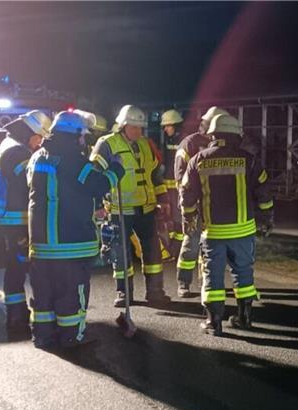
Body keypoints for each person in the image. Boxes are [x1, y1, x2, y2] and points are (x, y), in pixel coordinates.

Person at [27, 111, 123, 349]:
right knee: (71, 292)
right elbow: (97, 185)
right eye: (82, 136)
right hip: (70, 241)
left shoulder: (38, 157)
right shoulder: (74, 160)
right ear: (74, 135)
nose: (84, 141)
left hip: (41, 242)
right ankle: (72, 336)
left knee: (44, 293)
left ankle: (43, 336)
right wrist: (116, 170)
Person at [180, 113, 274, 336]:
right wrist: (265, 219)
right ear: (236, 135)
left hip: (213, 232)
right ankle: (245, 319)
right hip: (244, 231)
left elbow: (187, 195)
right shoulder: (249, 160)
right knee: (243, 274)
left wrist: (189, 218)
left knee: (212, 274)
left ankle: (214, 323)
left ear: (212, 134)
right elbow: (264, 193)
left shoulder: (198, 160)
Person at [90, 105, 170, 307]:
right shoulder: (107, 144)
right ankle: (124, 293)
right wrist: (98, 204)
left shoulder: (145, 144)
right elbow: (95, 176)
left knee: (152, 251)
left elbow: (154, 175)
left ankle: (155, 292)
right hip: (119, 209)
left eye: (141, 128)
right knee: (120, 254)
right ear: (123, 125)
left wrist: (163, 200)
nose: (139, 132)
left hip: (146, 207)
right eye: (135, 127)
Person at [0, 110, 52, 337]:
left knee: (15, 267)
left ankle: (17, 313)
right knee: (20, 268)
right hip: (16, 220)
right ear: (29, 133)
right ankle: (19, 315)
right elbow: (31, 182)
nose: (40, 143)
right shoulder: (16, 152)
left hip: (10, 219)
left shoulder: (11, 145)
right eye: (39, 138)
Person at [172, 106, 229, 298]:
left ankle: (207, 282)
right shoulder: (189, 143)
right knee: (191, 242)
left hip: (212, 205)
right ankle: (184, 283)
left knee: (210, 245)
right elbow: (181, 176)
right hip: (193, 203)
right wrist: (187, 202)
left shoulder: (221, 143)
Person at [160, 109, 184, 253]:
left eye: (168, 125)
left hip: (178, 186)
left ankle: (178, 247)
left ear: (176, 125)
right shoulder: (169, 140)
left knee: (178, 216)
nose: (165, 129)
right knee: (170, 216)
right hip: (169, 186)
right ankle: (171, 246)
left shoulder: (183, 140)